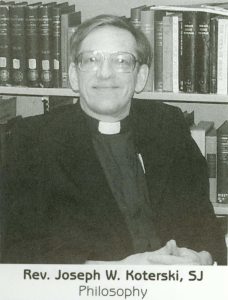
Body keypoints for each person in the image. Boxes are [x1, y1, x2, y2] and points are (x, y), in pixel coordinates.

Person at [0, 14, 226, 265]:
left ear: (140, 76)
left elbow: (202, 218)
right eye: (92, 60)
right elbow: (15, 248)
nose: (105, 74)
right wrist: (117, 271)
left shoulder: (167, 124)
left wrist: (202, 259)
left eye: (121, 61)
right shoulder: (33, 139)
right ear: (74, 75)